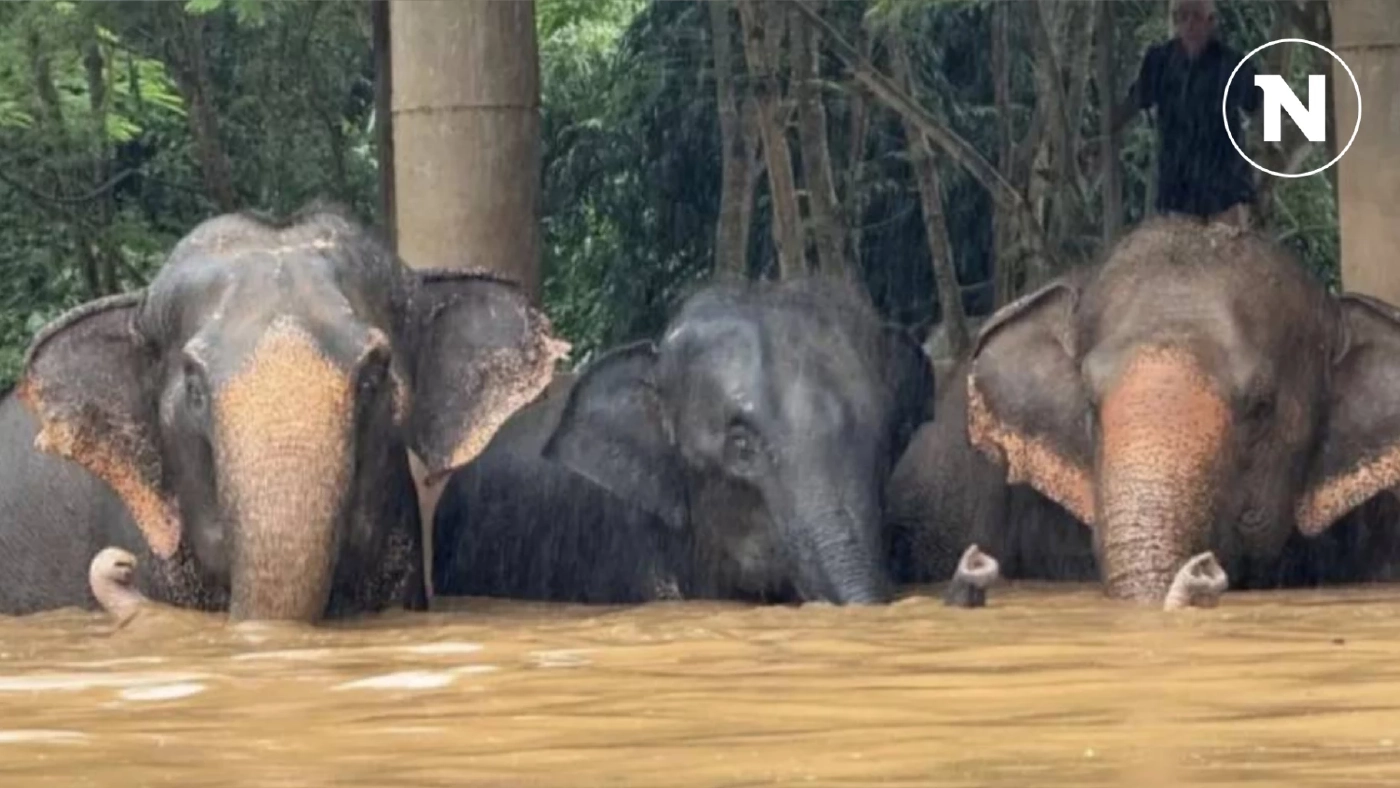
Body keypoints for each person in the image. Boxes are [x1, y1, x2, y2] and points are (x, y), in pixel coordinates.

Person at [1114, 0, 1262, 227]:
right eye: (1181, 17)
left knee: (1229, 255)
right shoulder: (1160, 62)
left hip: (1225, 190)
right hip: (1178, 190)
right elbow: (1135, 100)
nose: (1189, 25)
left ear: (1211, 22)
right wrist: (1106, 132)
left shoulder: (1232, 64)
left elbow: (1265, 102)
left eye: (1196, 17)